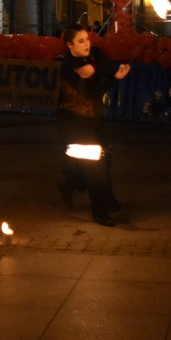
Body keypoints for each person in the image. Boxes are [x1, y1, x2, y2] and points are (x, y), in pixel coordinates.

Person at [55, 24, 131, 227]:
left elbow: (108, 67)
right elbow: (92, 93)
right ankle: (100, 212)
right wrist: (114, 79)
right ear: (70, 45)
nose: (86, 44)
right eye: (81, 41)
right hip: (73, 123)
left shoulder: (95, 55)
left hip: (96, 121)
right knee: (94, 167)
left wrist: (118, 70)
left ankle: (71, 182)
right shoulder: (70, 67)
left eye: (87, 39)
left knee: (105, 159)